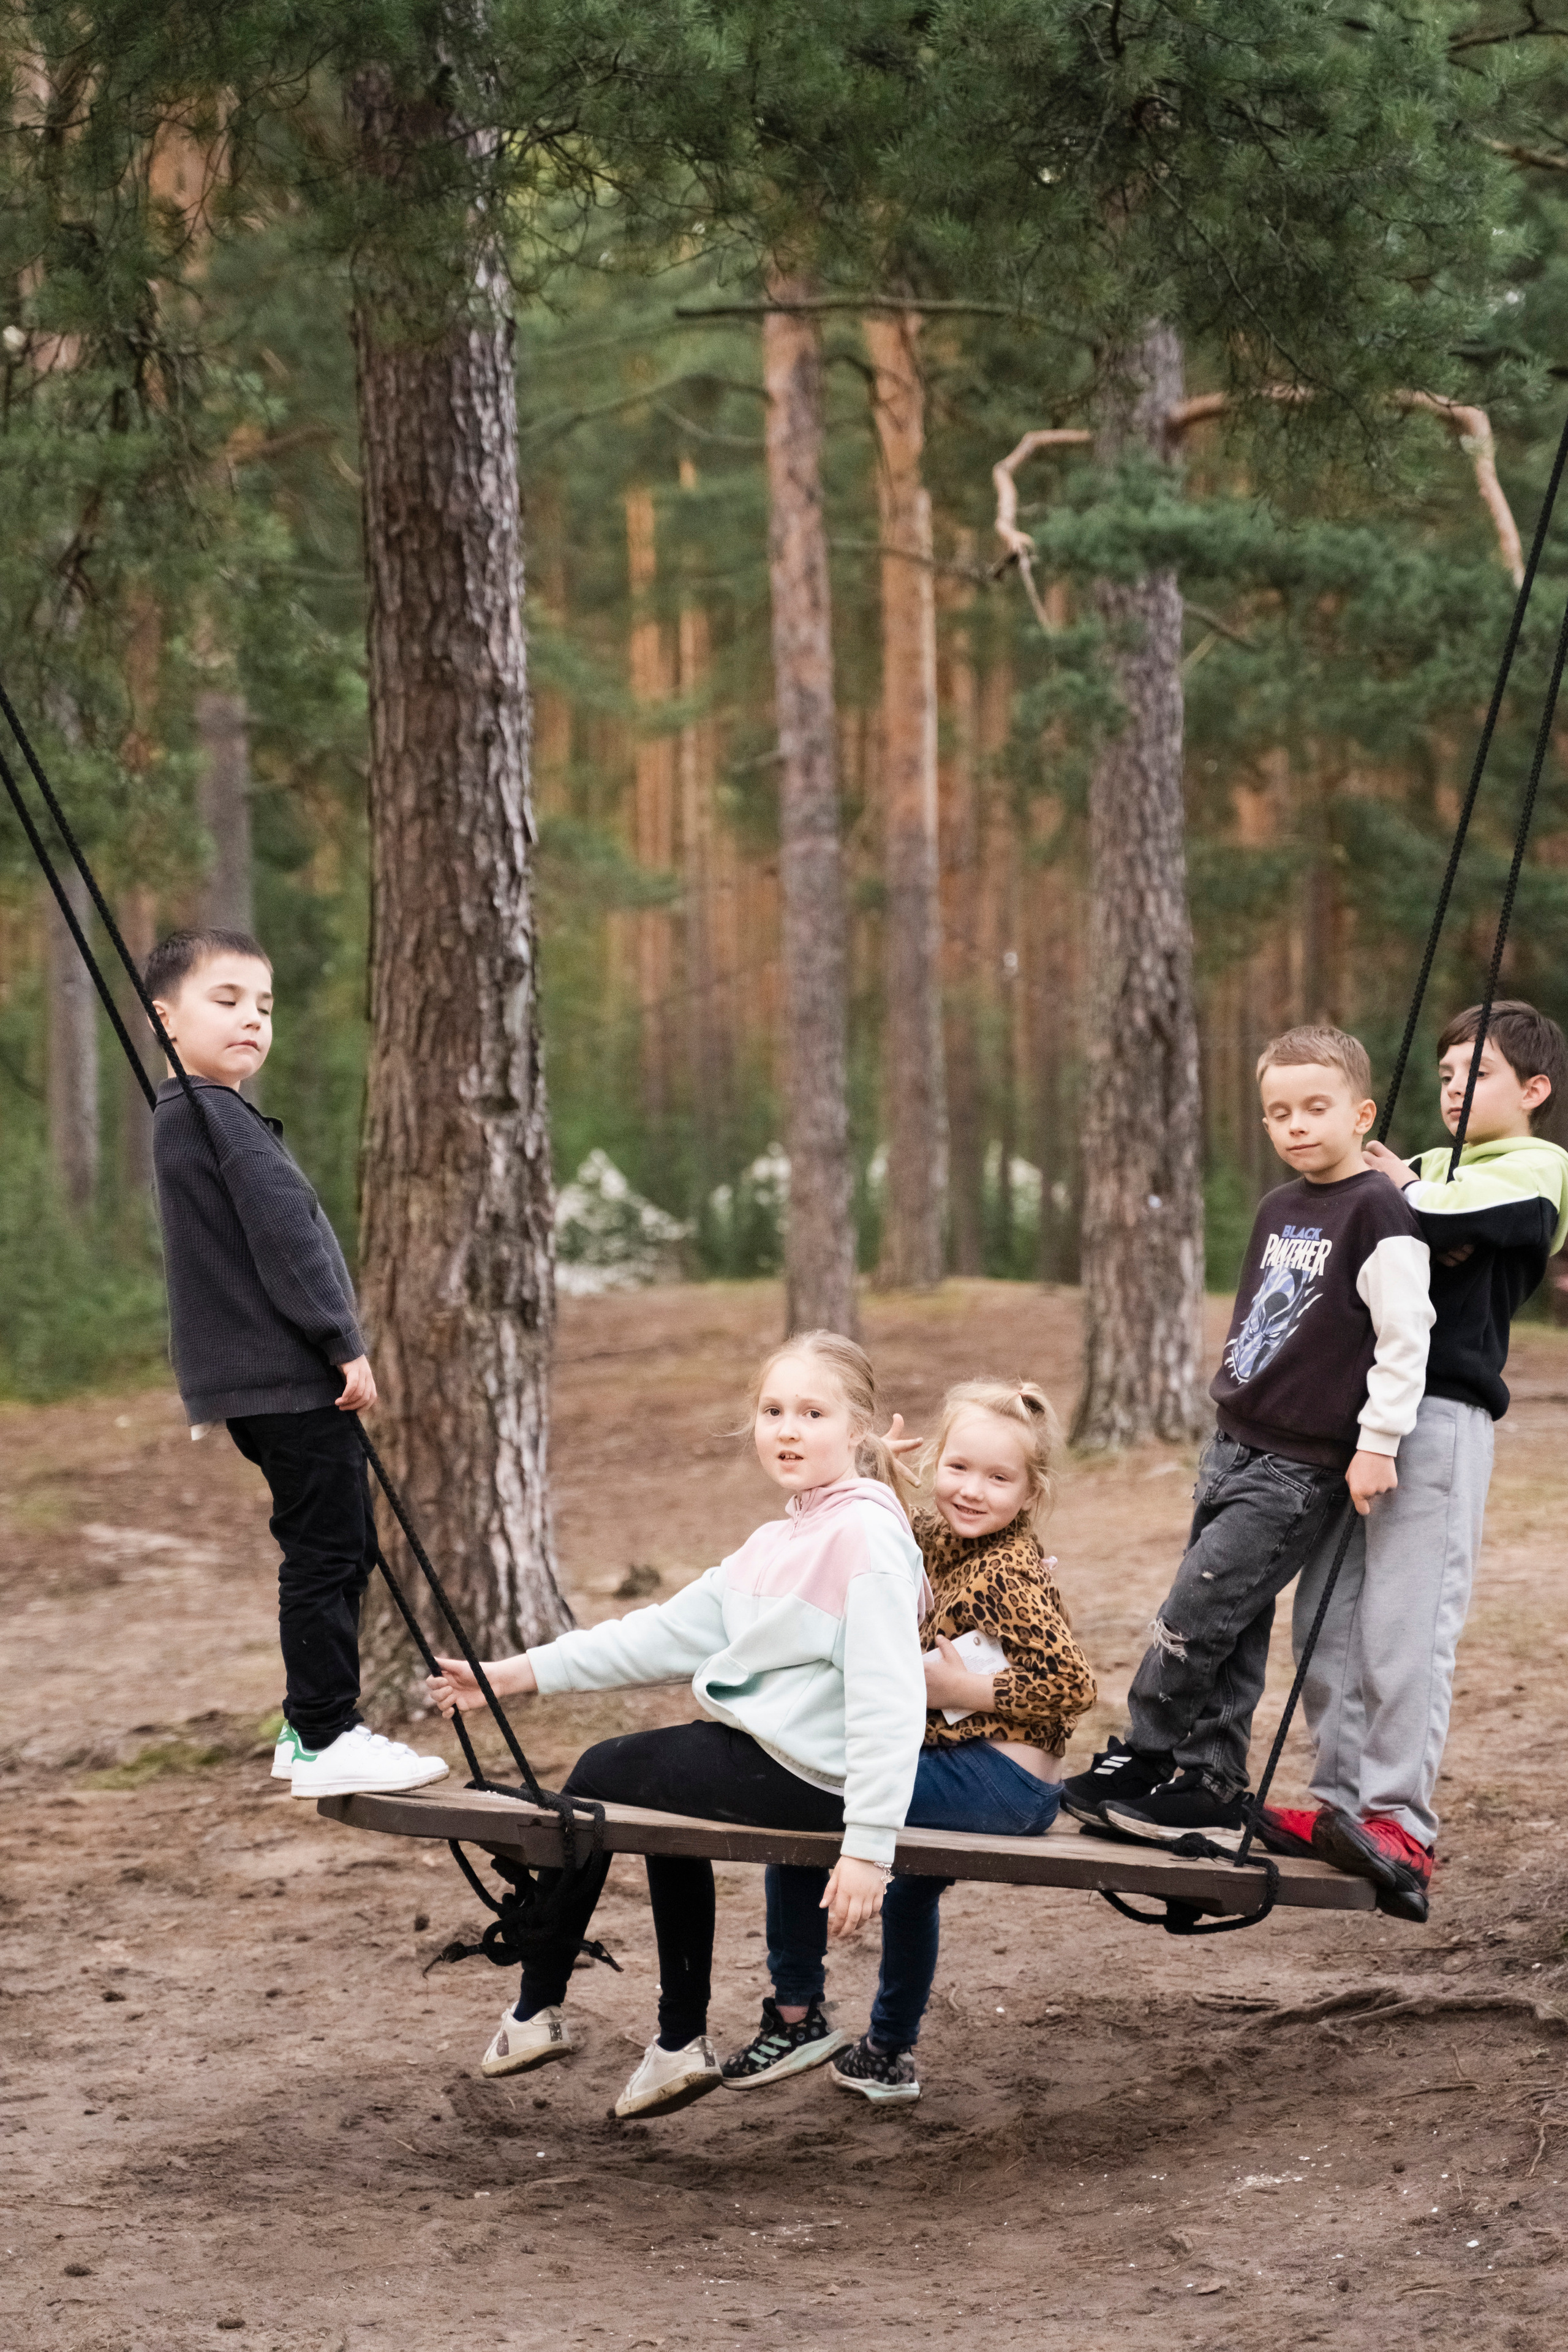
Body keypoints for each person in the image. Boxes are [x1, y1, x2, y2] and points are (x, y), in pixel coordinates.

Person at [424, 1330, 930, 2122]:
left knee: (600, 1776)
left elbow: (890, 1697)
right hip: (778, 1762)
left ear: (857, 1429)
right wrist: (509, 1678)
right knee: (657, 1799)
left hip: (818, 1781)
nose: (788, 1429)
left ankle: (537, 2011)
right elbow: (658, 1634)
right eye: (772, 1411)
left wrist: (868, 1848)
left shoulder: (863, 1539)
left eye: (812, 1412)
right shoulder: (781, 1541)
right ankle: (673, 2043)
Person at [1063, 1025, 1434, 1849]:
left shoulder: (1381, 1213)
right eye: (1279, 1112)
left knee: (1193, 1611)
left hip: (1299, 1466)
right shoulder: (1279, 1208)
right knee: (1232, 1619)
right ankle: (1207, 1781)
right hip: (1231, 1444)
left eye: (1315, 1108)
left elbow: (1406, 1340)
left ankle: (1146, 1753)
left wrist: (1377, 1444)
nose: (1297, 1125)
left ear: (1361, 1114)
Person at [1259, 1000, 1568, 1920]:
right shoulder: (1425, 1169)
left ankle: (1403, 1821)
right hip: (1360, 1421)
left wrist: (1401, 1191)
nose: (1452, 1091)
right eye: (1443, 1078)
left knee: (1405, 1625)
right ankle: (1345, 1805)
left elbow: (1436, 1214)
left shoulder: (1537, 1168)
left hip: (1439, 1415)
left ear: (1534, 1091)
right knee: (1327, 1617)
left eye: (1477, 1076)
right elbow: (1383, 1213)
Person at [722, 1380, 1096, 2105]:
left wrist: (966, 1693)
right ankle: (887, 2054)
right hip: (972, 1773)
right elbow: (872, 1528)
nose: (972, 1491)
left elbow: (1072, 1686)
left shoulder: (1009, 1571)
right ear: (936, 1466)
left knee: (810, 1797)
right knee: (910, 1888)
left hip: (998, 1782)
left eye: (998, 1479)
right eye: (958, 1468)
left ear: (1029, 1493)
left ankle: (796, 2013)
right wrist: (868, 1469)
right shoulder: (936, 1536)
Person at [146, 927, 447, 1801]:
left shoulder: (187, 1117)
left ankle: (302, 1729)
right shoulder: (216, 1116)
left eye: (264, 1006)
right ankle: (325, 1733)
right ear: (166, 1021)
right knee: (328, 1550)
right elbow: (285, 1235)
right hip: (287, 1378)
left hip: (254, 1383)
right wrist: (340, 1338)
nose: (252, 1020)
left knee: (335, 1543)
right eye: (227, 1001)